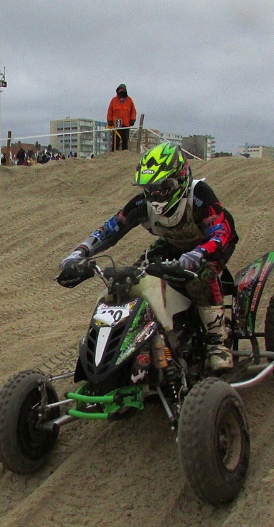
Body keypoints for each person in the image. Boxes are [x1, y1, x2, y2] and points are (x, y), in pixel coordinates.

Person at [56, 143, 238, 372]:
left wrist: (198, 253)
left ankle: (218, 343)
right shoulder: (143, 204)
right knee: (133, 279)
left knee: (201, 276)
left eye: (163, 187)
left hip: (212, 244)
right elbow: (111, 229)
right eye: (150, 188)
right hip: (173, 243)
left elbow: (221, 231)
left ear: (180, 179)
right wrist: (80, 252)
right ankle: (135, 342)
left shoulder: (198, 195)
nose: (156, 194)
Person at [106, 83, 137, 152]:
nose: (121, 91)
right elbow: (110, 111)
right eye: (120, 90)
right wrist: (109, 120)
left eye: (122, 89)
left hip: (126, 121)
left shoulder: (129, 100)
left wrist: (132, 119)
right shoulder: (114, 100)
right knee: (116, 137)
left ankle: (125, 150)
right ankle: (114, 151)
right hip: (117, 121)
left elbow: (133, 111)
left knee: (125, 137)